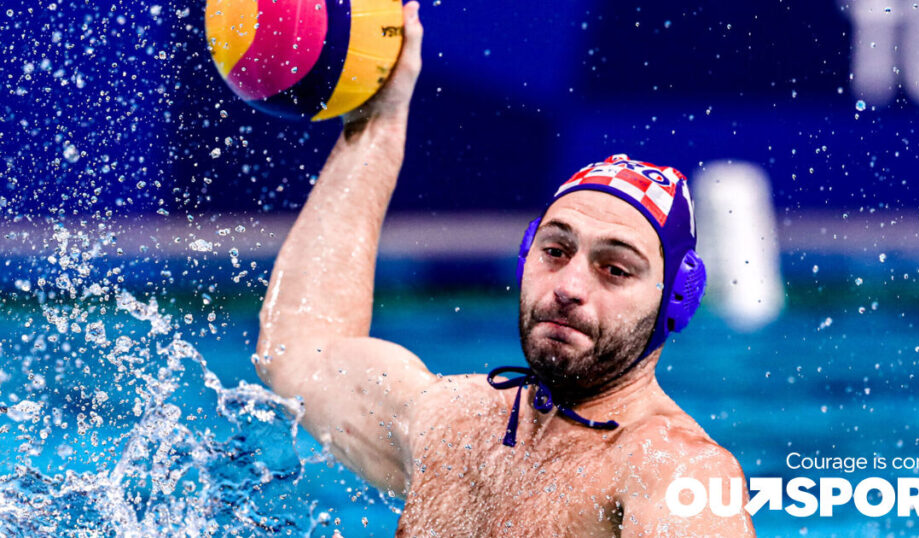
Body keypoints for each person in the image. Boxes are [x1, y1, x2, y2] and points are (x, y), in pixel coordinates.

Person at [254, 2, 755, 535]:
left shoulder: (673, 472)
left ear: (676, 298)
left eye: (614, 269)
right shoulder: (449, 424)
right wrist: (378, 120)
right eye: (555, 251)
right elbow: (295, 352)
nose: (569, 287)